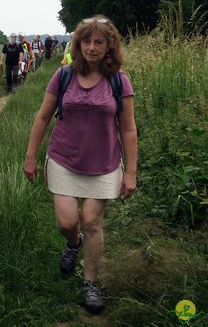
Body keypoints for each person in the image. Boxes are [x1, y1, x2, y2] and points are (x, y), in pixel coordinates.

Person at [23, 16, 138, 314]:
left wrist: (132, 173)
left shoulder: (119, 81)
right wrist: (31, 156)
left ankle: (90, 284)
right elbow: (43, 117)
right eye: (86, 41)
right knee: (67, 223)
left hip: (104, 164)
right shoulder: (63, 76)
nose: (92, 47)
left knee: (91, 221)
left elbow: (128, 129)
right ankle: (74, 244)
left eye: (99, 42)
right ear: (78, 44)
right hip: (63, 160)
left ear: (109, 46)